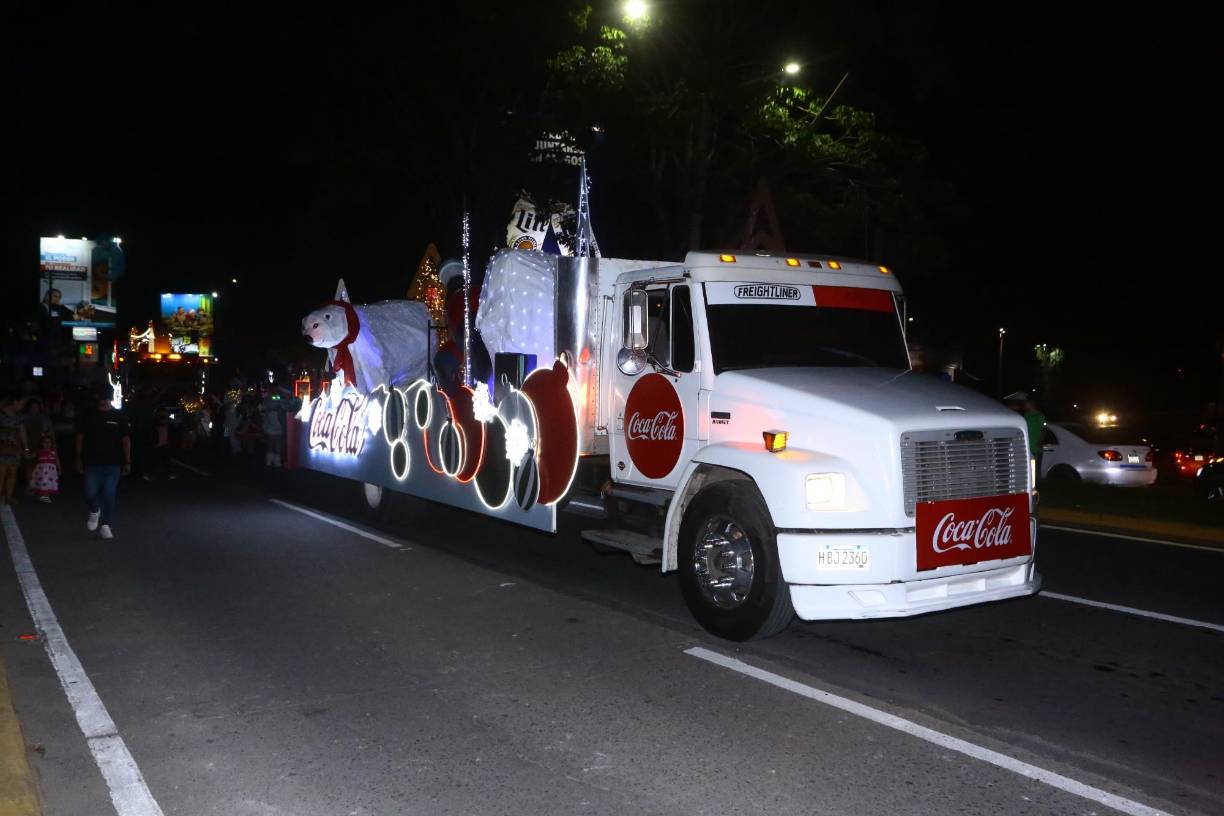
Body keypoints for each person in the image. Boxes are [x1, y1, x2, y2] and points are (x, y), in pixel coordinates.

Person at [75, 384, 131, 540]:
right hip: (92, 461)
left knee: (109, 493)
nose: (104, 401)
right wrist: (78, 458)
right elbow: (80, 437)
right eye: (101, 398)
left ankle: (106, 524)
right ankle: (94, 510)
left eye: (106, 398)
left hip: (113, 462)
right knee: (89, 492)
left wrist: (127, 460)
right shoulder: (88, 415)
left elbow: (126, 440)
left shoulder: (119, 416)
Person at [1005, 391, 1047, 477]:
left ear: (1031, 404)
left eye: (1026, 403)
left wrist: (1040, 440)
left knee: (1035, 467)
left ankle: (1036, 483)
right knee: (1027, 467)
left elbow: (1043, 429)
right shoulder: (1026, 415)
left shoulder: (1039, 415)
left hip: (1035, 446)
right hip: (1027, 446)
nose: (1024, 405)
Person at [0, 393, 30, 505]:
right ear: (15, 401)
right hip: (2, 446)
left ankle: (9, 496)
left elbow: (22, 432)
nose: (23, 405)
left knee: (12, 473)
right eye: (22, 402)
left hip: (15, 447)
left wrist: (26, 448)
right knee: (2, 472)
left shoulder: (19, 416)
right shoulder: (1, 413)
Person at [29, 435, 60, 503]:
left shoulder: (53, 452)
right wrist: (26, 452)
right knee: (42, 481)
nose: (47, 444)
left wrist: (59, 468)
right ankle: (43, 495)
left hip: (50, 471)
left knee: (47, 482)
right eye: (45, 442)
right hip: (41, 470)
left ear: (51, 443)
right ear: (42, 443)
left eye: (49, 442)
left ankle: (46, 496)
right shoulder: (39, 451)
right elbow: (31, 456)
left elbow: (57, 460)